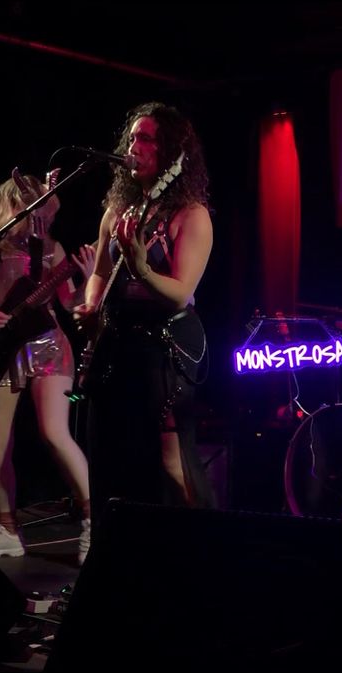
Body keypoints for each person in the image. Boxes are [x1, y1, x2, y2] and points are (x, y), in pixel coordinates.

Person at [73, 102, 213, 532]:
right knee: (109, 458)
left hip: (163, 353)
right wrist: (91, 305)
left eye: (147, 138)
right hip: (117, 347)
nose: (135, 146)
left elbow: (180, 292)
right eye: (133, 137)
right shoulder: (117, 211)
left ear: (170, 150)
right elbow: (98, 271)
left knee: (169, 463)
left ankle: (199, 552)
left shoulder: (192, 215)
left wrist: (143, 270)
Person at [0, 173, 96, 564]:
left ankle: (94, 522)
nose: (25, 215)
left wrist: (87, 275)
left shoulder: (50, 249)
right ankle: (8, 529)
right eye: (18, 207)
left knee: (54, 432)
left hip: (49, 347)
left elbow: (71, 304)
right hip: (6, 348)